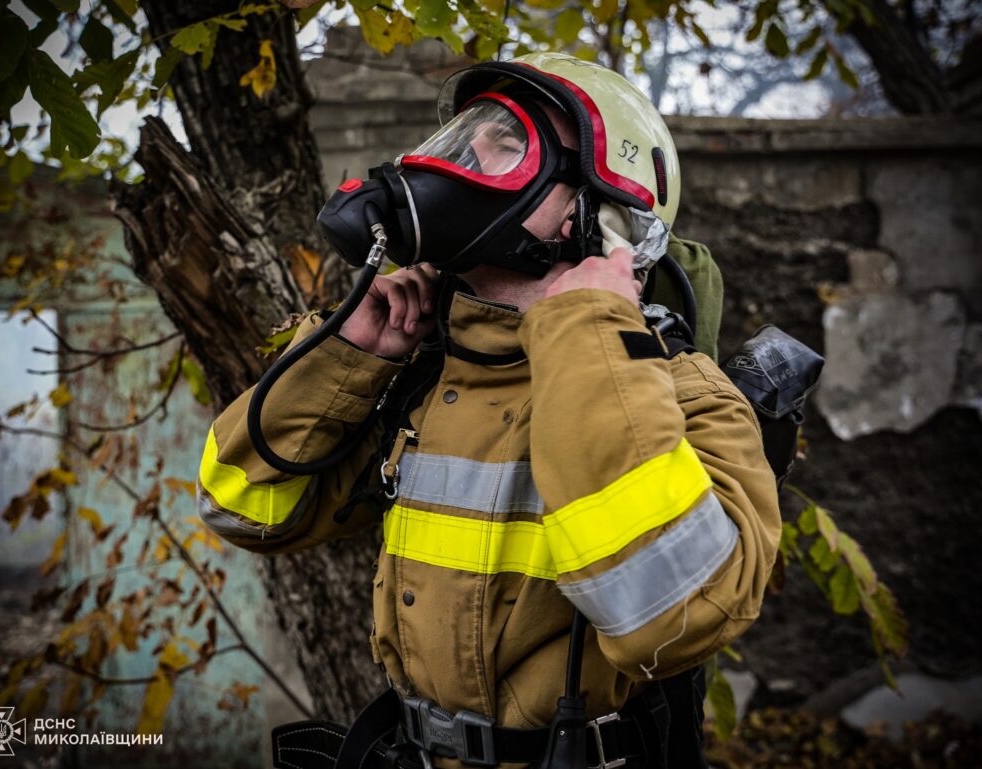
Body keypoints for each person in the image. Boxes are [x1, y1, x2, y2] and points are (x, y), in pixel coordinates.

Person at [197, 52, 781, 769]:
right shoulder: (422, 375)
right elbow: (240, 505)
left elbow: (673, 616)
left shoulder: (683, 392)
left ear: (596, 211)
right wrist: (350, 357)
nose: (469, 155)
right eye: (468, 133)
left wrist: (590, 325)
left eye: (509, 142)